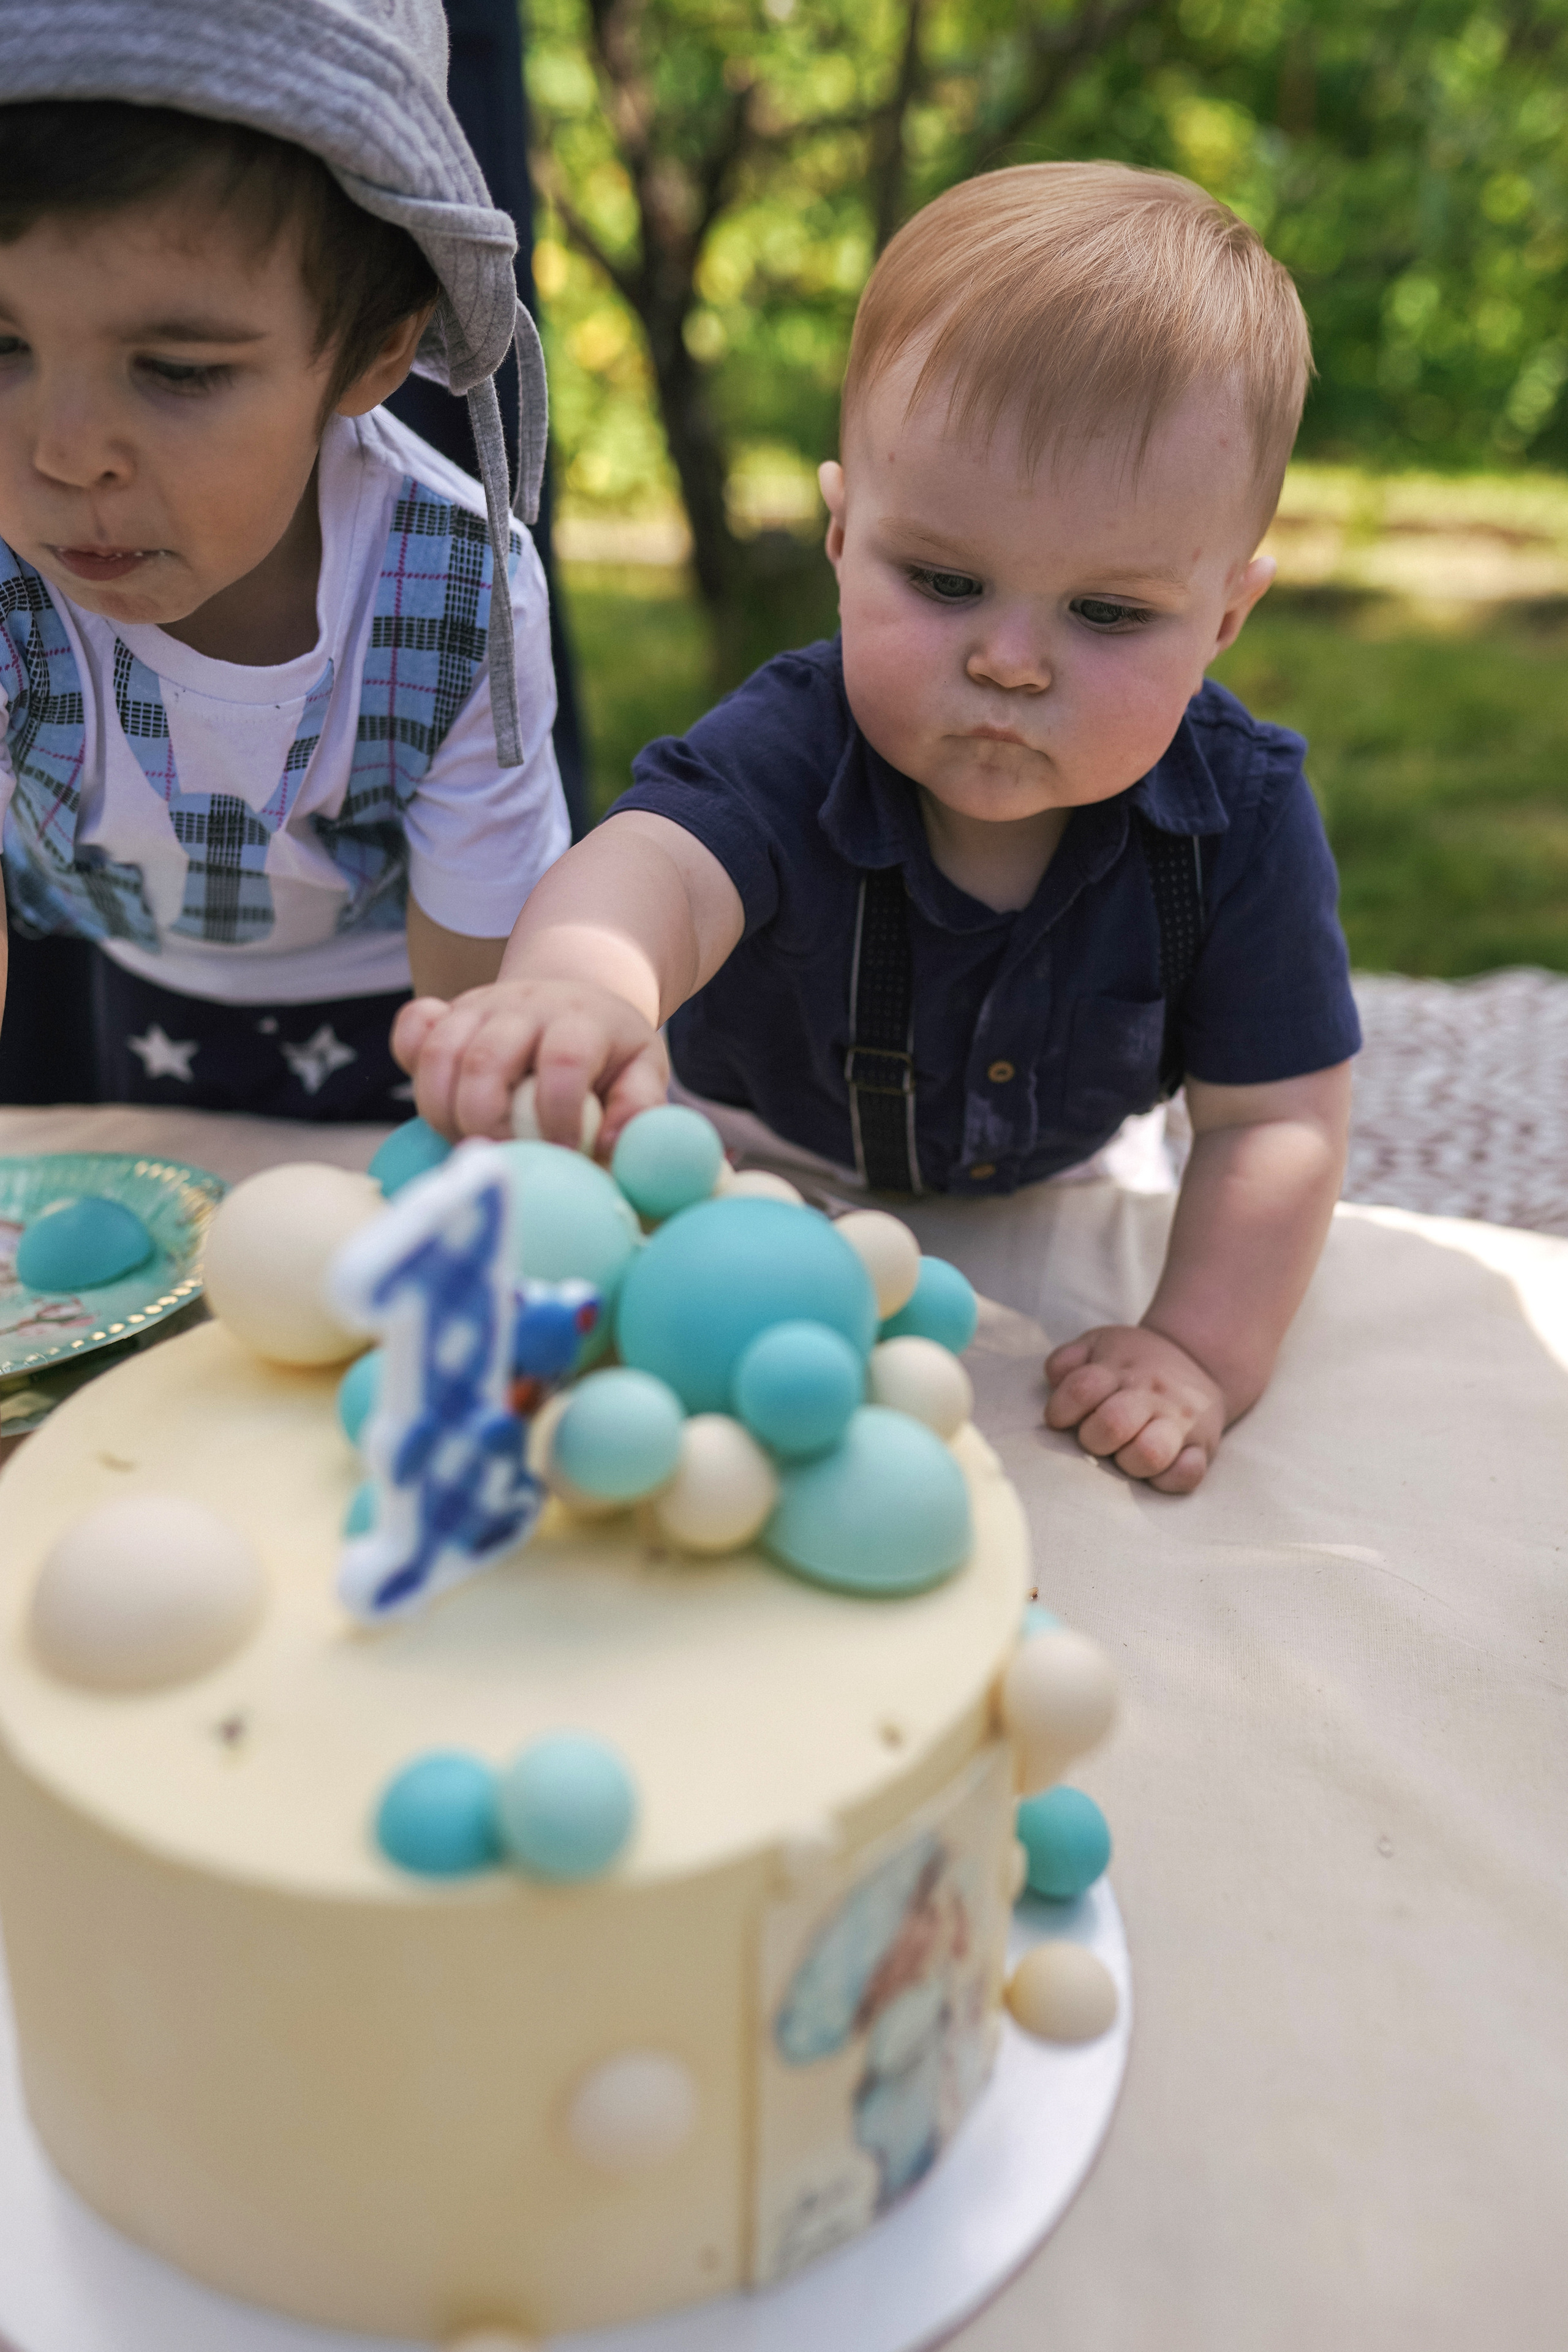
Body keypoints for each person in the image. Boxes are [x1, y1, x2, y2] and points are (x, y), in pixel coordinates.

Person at [400, 164, 1362, 1493]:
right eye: (946, 581)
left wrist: (1195, 1348)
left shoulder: (1236, 816)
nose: (1012, 662)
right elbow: (654, 876)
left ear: (1224, 618)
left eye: (1108, 614)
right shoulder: (796, 748)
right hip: (754, 1160)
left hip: (1055, 1183)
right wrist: (579, 989)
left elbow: (1273, 1125)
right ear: (843, 536)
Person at [0, 0, 569, 1120]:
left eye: (176, 370)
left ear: (377, 348)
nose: (65, 455)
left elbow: (480, 989)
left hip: (401, 1005)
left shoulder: (460, 595)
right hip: (134, 993)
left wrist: (478, 1157)